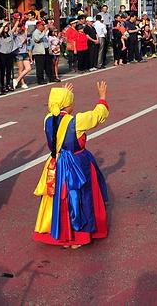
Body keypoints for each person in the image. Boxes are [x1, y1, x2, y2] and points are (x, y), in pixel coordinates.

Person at [33, 82, 110, 247]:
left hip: (56, 162)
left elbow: (57, 116)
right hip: (76, 163)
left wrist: (62, 95)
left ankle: (61, 233)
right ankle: (79, 236)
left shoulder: (47, 119)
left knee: (60, 197)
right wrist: (102, 98)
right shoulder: (76, 121)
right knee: (80, 196)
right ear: (68, 105)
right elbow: (97, 115)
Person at [31, 21, 51, 85]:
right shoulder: (35, 32)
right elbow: (37, 39)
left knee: (48, 65)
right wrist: (44, 32)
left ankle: (51, 77)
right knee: (40, 67)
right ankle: (40, 80)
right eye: (42, 25)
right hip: (39, 52)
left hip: (45, 50)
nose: (44, 27)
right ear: (38, 26)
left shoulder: (42, 32)